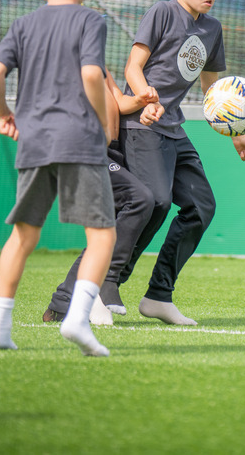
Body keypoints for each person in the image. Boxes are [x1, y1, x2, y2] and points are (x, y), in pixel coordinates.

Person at [117, 0, 245, 326]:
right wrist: (144, 97)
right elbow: (133, 67)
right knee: (156, 203)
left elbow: (215, 93)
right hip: (140, 125)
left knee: (201, 207)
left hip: (174, 130)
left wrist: (238, 134)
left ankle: (159, 296)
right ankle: (106, 285)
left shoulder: (212, 29)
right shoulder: (162, 12)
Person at [0, 0, 116, 357]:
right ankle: (77, 319)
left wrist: (5, 113)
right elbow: (92, 73)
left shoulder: (21, 25)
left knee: (23, 236)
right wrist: (102, 120)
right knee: (102, 236)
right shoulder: (90, 21)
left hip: (35, 140)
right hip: (79, 139)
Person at [43, 69, 157, 322]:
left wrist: (142, 101)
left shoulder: (98, 65)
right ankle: (106, 279)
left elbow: (118, 99)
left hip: (112, 151)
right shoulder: (70, 64)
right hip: (87, 150)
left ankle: (62, 303)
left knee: (107, 232)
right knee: (139, 198)